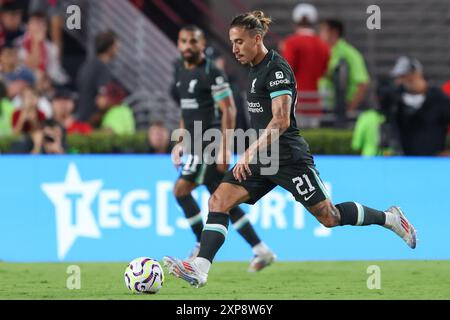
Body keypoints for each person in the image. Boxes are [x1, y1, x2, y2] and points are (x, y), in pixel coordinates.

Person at [163, 11, 417, 288]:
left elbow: (281, 120)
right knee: (218, 201)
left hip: (288, 157)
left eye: (239, 42)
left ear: (256, 38)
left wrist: (248, 152)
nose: (234, 49)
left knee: (329, 217)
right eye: (232, 42)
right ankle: (200, 268)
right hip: (264, 157)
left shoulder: (277, 69)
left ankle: (391, 219)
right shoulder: (252, 68)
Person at [169, 25, 275, 270]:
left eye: (192, 42)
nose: (187, 46)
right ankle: (261, 250)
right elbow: (186, 111)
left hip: (209, 144)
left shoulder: (212, 73)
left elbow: (229, 109)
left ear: (202, 44)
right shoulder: (179, 71)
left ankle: (199, 245)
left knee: (181, 190)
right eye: (183, 41)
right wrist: (180, 141)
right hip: (194, 143)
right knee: (223, 201)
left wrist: (225, 148)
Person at [385, 56, 450, 156]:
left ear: (417, 74)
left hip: (433, 161)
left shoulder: (438, 98)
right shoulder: (394, 99)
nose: (400, 81)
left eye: (405, 76)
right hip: (404, 161)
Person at [279, 3, 329, 113]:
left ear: (295, 22)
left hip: (295, 101)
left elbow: (287, 71)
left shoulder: (290, 43)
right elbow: (325, 71)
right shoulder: (323, 45)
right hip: (316, 101)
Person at [319, 19, 370, 126]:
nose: (320, 34)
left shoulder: (350, 54)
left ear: (334, 32)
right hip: (323, 108)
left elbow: (363, 84)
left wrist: (349, 109)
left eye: (323, 31)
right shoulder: (323, 52)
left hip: (340, 110)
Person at [76, 30, 118, 127]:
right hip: (91, 124)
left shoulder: (86, 65)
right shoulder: (102, 68)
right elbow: (102, 102)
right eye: (116, 46)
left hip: (80, 119)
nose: (118, 49)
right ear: (110, 47)